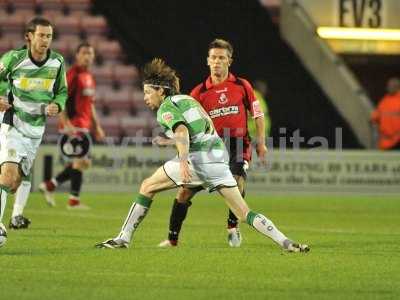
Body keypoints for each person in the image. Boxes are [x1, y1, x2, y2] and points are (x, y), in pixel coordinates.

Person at [95, 58, 309, 253]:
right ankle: (286, 242)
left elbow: (183, 132)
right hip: (218, 158)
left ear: (161, 91)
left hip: (197, 160)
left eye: (148, 92)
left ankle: (123, 238)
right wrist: (169, 142)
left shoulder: (166, 108)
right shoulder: (188, 100)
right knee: (244, 212)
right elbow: (199, 130)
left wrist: (184, 161)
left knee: (147, 186)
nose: (145, 98)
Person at [157, 39, 267, 248]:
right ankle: (172, 239)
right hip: (209, 147)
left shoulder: (242, 86)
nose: (217, 61)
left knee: (237, 181)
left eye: (221, 58)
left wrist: (261, 142)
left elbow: (257, 114)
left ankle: (232, 227)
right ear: (207, 61)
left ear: (229, 61)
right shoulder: (198, 93)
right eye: (213, 58)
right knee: (184, 192)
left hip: (237, 144)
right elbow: (185, 125)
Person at [0, 17, 67, 246]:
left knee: (14, 183)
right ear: (29, 36)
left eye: (49, 36)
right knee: (7, 175)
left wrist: (57, 105)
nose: (45, 40)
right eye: (41, 35)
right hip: (13, 123)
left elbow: (62, 92)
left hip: (35, 129)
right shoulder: (14, 58)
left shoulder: (57, 62)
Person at [39, 42, 105, 209]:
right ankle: (73, 201)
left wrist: (96, 126)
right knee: (80, 161)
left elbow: (90, 104)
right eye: (84, 53)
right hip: (74, 125)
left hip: (84, 125)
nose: (87, 56)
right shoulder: (72, 74)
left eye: (90, 53)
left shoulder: (89, 77)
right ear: (77, 55)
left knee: (83, 163)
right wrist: (65, 122)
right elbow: (60, 98)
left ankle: (51, 185)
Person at [0, 79, 32, 230]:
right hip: (5, 128)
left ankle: (16, 215)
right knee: (8, 178)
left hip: (14, 126)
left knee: (19, 177)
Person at [371, 77, 400, 150]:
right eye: (388, 86)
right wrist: (376, 139)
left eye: (392, 86)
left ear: (397, 87)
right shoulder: (384, 101)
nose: (389, 88)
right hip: (385, 143)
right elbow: (374, 119)